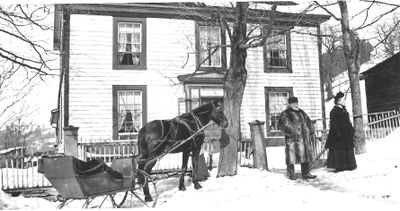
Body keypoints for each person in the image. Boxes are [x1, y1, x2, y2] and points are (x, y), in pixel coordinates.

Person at [278, 97, 317, 180]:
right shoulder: (286, 113)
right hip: (293, 139)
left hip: (304, 138)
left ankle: (306, 173)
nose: (296, 104)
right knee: (291, 156)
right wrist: (293, 131)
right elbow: (283, 125)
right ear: (290, 104)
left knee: (305, 156)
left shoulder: (301, 112)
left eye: (297, 103)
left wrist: (310, 130)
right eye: (294, 103)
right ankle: (291, 173)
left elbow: (308, 121)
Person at [325, 91, 357, 172]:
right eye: (343, 100)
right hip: (339, 136)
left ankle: (349, 165)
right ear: (339, 101)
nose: (344, 101)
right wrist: (338, 134)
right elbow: (334, 124)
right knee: (340, 151)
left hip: (346, 135)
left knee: (348, 150)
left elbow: (347, 122)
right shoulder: (334, 111)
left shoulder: (344, 110)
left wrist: (351, 130)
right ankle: (340, 166)